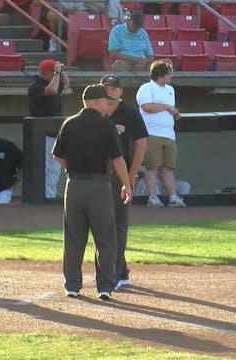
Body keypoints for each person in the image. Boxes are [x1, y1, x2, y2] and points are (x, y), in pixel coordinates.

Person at [52, 84, 132, 301]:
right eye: (106, 101)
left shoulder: (69, 123)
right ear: (97, 102)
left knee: (73, 238)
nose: (108, 105)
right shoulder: (107, 126)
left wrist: (72, 169)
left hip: (74, 186)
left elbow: (57, 156)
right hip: (99, 187)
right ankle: (105, 287)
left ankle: (72, 286)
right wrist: (126, 184)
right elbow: (117, 159)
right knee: (105, 237)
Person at [100, 74, 148, 290]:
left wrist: (129, 177)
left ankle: (116, 273)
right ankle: (118, 270)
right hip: (97, 175)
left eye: (114, 88)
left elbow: (141, 145)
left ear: (121, 91)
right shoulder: (95, 110)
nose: (110, 91)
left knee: (118, 225)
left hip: (120, 176)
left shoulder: (129, 113)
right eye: (106, 87)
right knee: (102, 225)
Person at [136, 60, 186, 208]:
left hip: (169, 134)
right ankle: (152, 197)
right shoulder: (146, 88)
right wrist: (168, 108)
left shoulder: (170, 89)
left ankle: (173, 197)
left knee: (168, 167)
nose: (171, 76)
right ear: (160, 75)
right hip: (151, 134)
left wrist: (174, 112)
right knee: (151, 167)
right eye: (168, 73)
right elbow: (147, 107)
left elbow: (168, 110)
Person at [28, 58, 71, 199]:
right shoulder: (36, 85)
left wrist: (60, 70)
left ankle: (50, 197)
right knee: (44, 170)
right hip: (41, 136)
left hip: (55, 134)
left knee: (55, 170)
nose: (55, 75)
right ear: (46, 72)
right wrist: (57, 72)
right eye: (52, 72)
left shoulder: (54, 80)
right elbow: (51, 90)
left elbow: (66, 83)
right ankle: (42, 199)